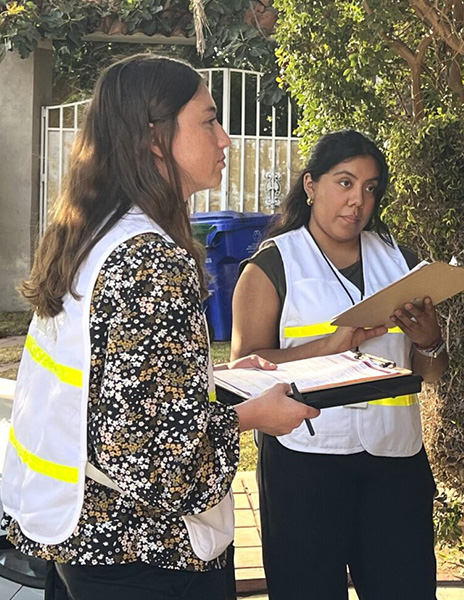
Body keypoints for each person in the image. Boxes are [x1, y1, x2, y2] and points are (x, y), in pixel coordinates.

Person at [1, 54, 318, 600]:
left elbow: (118, 385)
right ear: (155, 137)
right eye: (209, 120)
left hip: (87, 537)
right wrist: (249, 416)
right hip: (148, 552)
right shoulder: (150, 258)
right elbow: (150, 452)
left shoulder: (96, 232)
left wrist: (210, 380)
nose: (226, 140)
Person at [231, 129, 448, 600]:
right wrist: (331, 345)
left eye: (370, 189)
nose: (357, 201)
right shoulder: (272, 266)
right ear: (311, 186)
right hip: (306, 465)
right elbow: (244, 371)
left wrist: (430, 342)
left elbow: (429, 373)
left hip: (395, 463)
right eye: (344, 183)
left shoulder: (400, 261)